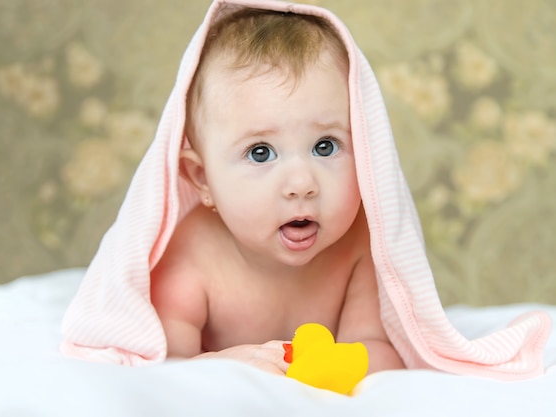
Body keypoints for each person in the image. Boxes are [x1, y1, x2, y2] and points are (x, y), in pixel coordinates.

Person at [150, 7, 405, 377]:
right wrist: (218, 367)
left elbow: (379, 351)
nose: (302, 183)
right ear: (203, 178)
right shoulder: (190, 255)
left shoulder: (361, 239)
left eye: (325, 146)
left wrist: (327, 368)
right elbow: (161, 370)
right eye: (260, 152)